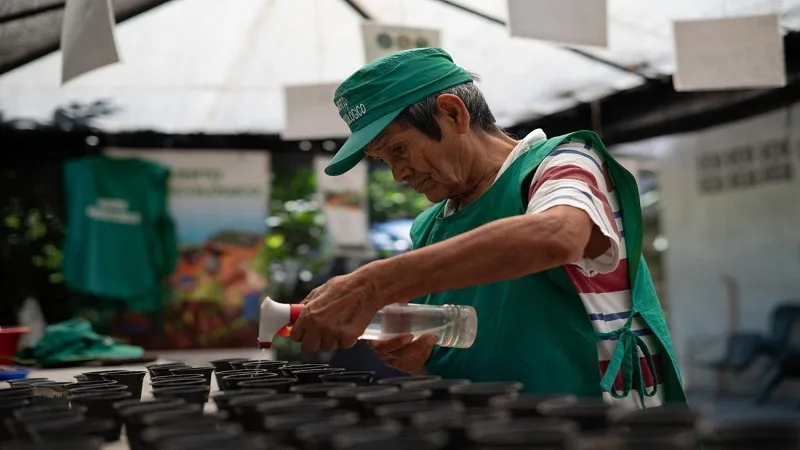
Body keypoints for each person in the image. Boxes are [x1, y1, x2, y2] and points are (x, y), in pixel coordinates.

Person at [289, 47, 686, 408]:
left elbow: (557, 236)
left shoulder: (561, 164)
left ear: (453, 113)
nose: (397, 174)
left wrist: (369, 285)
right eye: (383, 160)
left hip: (595, 424)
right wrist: (422, 358)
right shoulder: (429, 228)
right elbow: (464, 339)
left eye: (398, 149)